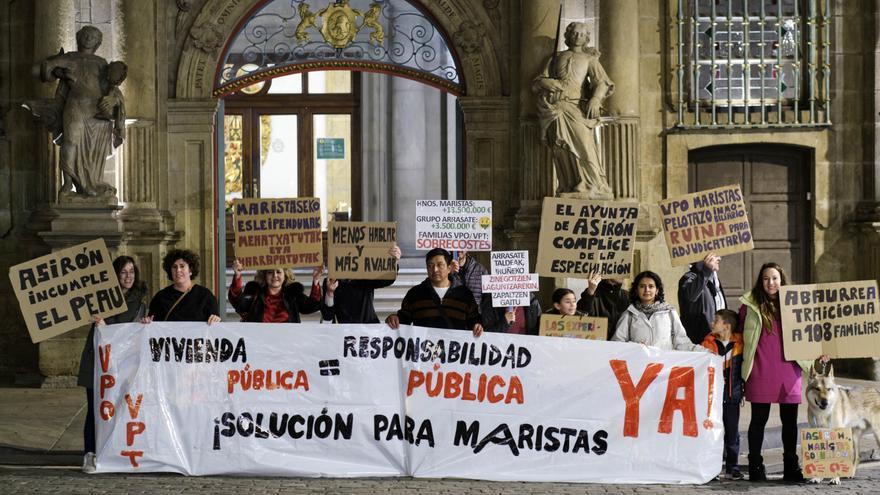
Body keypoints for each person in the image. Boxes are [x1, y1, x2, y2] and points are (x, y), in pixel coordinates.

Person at [739, 262, 819, 483]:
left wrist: (818, 356)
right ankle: (755, 466)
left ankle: (791, 467)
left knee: (790, 421)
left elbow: (810, 332)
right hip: (759, 368)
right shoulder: (749, 305)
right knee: (758, 420)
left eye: (774, 278)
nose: (770, 283)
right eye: (766, 278)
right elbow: (740, 335)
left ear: (781, 280)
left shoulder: (796, 303)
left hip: (789, 368)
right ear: (760, 281)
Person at [25, 25, 125, 197]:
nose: (88, 37)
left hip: (96, 111)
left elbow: (112, 86)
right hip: (76, 107)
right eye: (85, 34)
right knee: (70, 141)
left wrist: (113, 99)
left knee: (93, 150)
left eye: (93, 36)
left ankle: (92, 182)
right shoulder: (69, 57)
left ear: (98, 42)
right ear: (79, 37)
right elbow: (39, 71)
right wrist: (54, 67)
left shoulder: (101, 63)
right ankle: (68, 183)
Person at [77, 255, 147, 473]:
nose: (128, 276)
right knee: (94, 409)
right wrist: (100, 324)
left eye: (131, 272)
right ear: (115, 275)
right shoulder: (100, 300)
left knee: (120, 408)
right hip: (99, 361)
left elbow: (134, 333)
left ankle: (114, 451)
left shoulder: (140, 303)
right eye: (123, 272)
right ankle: (90, 452)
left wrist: (145, 324)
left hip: (123, 364)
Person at [532, 21, 614, 198]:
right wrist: (545, 82)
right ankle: (571, 185)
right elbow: (537, 81)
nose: (577, 36)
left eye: (581, 34)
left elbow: (602, 82)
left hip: (574, 107)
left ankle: (595, 186)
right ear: (568, 36)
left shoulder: (589, 59)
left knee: (584, 146)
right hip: (555, 108)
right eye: (574, 33)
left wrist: (595, 99)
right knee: (561, 149)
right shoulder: (555, 57)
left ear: (586, 38)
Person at [386, 248, 483, 337]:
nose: (435, 269)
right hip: (424, 353)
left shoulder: (465, 294)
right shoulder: (415, 294)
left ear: (449, 268)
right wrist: (393, 319)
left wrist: (478, 326)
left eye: (440, 265)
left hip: (455, 353)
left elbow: (474, 321)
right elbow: (403, 320)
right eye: (430, 266)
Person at [700, 309, 744, 480]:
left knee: (732, 433)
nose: (712, 323)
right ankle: (713, 467)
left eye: (716, 320)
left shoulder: (741, 345)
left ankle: (732, 466)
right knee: (712, 433)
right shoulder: (707, 344)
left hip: (733, 396)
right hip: (712, 398)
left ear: (727, 326)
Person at [612, 271, 704, 351]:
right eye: (642, 286)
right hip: (639, 367)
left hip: (664, 367)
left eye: (651, 286)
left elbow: (682, 342)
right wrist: (634, 347)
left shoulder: (669, 313)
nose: (646, 290)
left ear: (657, 290)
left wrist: (703, 351)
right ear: (636, 290)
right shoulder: (629, 314)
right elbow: (617, 344)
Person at [321, 245, 401, 323]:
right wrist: (330, 293)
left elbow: (387, 280)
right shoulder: (330, 281)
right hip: (343, 331)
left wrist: (393, 263)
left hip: (368, 329)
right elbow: (327, 316)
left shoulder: (366, 277)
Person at [228, 260, 322, 323]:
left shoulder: (293, 295)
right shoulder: (254, 293)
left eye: (278, 272)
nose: (274, 276)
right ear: (264, 275)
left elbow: (312, 306)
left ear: (285, 275)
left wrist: (316, 280)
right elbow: (237, 302)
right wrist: (237, 275)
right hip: (258, 346)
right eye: (270, 272)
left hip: (288, 346)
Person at [144, 249, 220, 324]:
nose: (178, 270)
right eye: (174, 267)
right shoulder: (160, 297)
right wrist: (147, 322)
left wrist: (215, 319)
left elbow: (214, 326)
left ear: (190, 270)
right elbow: (153, 326)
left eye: (182, 266)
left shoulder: (205, 296)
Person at [678, 252, 727, 344]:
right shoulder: (689, 277)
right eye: (715, 256)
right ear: (705, 257)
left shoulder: (713, 278)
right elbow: (691, 296)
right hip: (699, 342)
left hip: (718, 339)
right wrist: (706, 270)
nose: (719, 258)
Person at [577, 272, 629, 339]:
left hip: (621, 345)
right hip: (596, 344)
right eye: (619, 270)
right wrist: (590, 292)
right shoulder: (593, 293)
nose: (624, 273)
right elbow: (580, 315)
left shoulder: (627, 296)